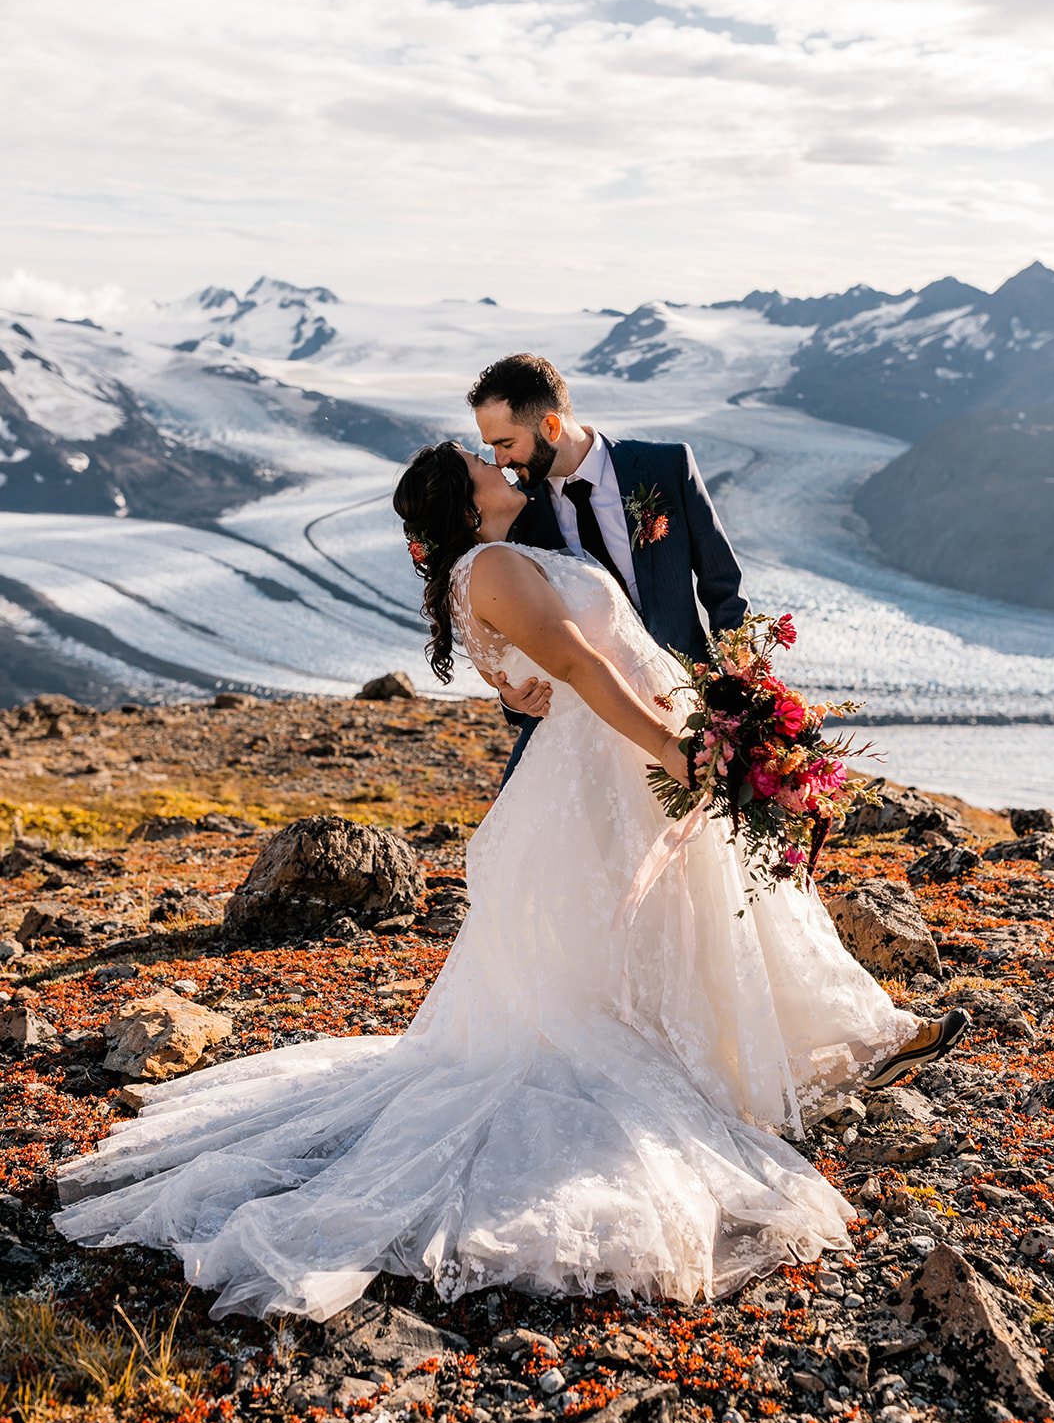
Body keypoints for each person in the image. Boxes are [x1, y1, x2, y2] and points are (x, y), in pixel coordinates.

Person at [51, 442, 968, 1323]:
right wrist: (674, 749)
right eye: (482, 464)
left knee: (714, 906)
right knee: (626, 943)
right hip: (609, 767)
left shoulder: (503, 559)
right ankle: (729, 1060)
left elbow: (528, 673)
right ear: (464, 500)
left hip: (619, 752)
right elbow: (573, 665)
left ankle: (838, 1037)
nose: (503, 467)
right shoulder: (489, 567)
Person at [468, 353, 746, 781]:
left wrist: (739, 686)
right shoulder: (517, 517)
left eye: (505, 443)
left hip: (692, 708)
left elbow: (723, 586)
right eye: (491, 448)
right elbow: (512, 633)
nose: (499, 461)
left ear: (551, 427)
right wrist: (512, 698)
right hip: (588, 722)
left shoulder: (666, 467)